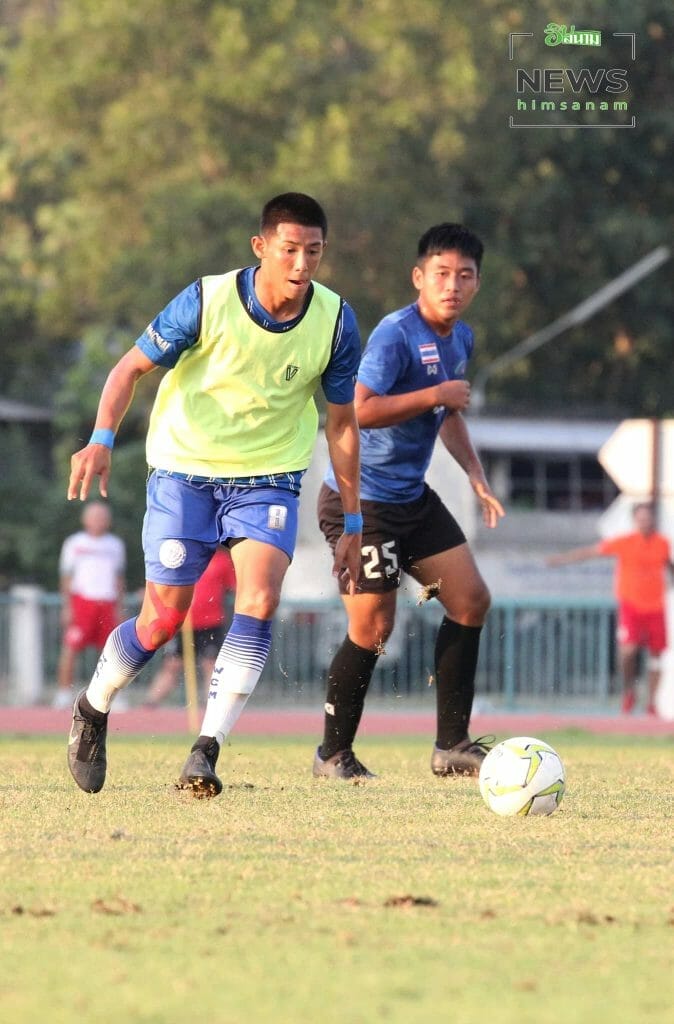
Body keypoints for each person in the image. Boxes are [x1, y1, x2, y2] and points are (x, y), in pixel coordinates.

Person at [66, 192, 362, 797]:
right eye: (289, 249)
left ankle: (206, 750)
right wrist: (100, 439)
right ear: (261, 247)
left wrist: (354, 522)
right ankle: (93, 707)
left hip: (270, 477)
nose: (302, 263)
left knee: (260, 597)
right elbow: (127, 370)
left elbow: (341, 424)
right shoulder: (207, 300)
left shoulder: (335, 320)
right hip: (184, 472)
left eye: (313, 251)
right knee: (161, 620)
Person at [315, 222, 504, 781]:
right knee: (373, 628)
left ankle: (452, 746)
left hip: (412, 499)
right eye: (441, 274)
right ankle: (332, 755)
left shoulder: (460, 339)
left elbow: (446, 415)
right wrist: (435, 393)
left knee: (470, 601)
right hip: (360, 502)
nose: (452, 285)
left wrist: (475, 474)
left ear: (477, 283)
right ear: (419, 277)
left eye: (464, 276)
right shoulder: (396, 334)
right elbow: (358, 410)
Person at [547, 502, 673, 715]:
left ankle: (652, 702)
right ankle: (629, 691)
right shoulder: (625, 542)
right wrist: (562, 559)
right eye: (641, 518)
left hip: (655, 607)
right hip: (631, 604)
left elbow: (669, 566)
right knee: (628, 650)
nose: (645, 522)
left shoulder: (662, 543)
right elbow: (591, 552)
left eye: (648, 518)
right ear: (635, 520)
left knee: (656, 656)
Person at [54, 501, 125, 710]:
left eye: (102, 517)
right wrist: (67, 606)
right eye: (94, 517)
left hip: (107, 602)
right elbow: (66, 576)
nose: (98, 521)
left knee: (111, 651)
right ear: (85, 519)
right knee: (71, 648)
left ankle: (110, 695)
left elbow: (119, 579)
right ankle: (63, 692)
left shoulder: (115, 545)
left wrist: (119, 607)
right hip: (82, 602)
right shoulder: (74, 543)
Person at [143, 546, 236, 707]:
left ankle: (211, 705)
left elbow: (234, 586)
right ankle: (150, 703)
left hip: (211, 622)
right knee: (172, 664)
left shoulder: (221, 560)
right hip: (182, 622)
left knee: (211, 664)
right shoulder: (181, 555)